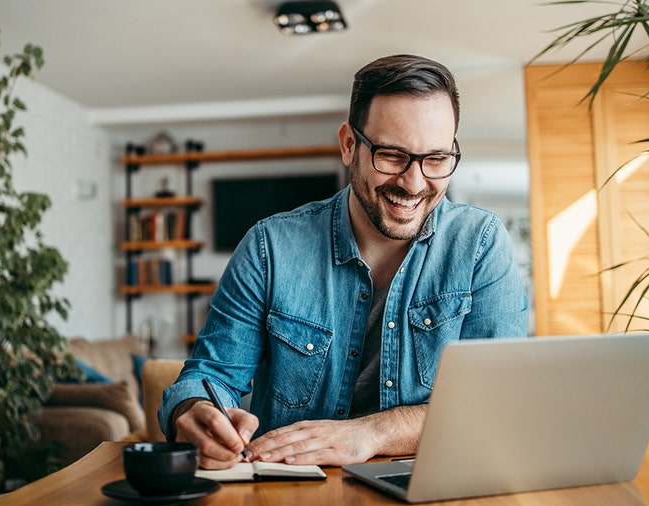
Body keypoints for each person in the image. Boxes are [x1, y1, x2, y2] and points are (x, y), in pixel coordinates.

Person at [158, 54, 528, 470]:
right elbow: (210, 376)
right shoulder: (270, 247)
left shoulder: (479, 242)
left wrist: (371, 434)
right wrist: (191, 411)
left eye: (437, 159)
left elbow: (498, 400)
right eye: (392, 155)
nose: (414, 182)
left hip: (429, 488)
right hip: (292, 493)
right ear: (349, 145)